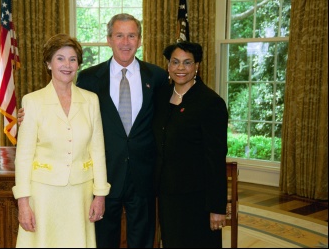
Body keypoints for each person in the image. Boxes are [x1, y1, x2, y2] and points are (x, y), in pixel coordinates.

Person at [18, 13, 168, 247]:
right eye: (119, 35)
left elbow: (164, 122)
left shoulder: (157, 76)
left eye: (131, 36)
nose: (125, 42)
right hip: (103, 179)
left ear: (140, 40)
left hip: (142, 177)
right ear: (109, 39)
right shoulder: (89, 79)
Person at [12, 33, 111, 248]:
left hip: (80, 195)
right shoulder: (32, 102)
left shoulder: (91, 100)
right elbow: (24, 157)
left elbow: (98, 150)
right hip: (43, 196)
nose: (67, 65)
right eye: (60, 58)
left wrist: (100, 194)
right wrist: (23, 203)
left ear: (78, 64)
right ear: (48, 63)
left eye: (72, 59)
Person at [152, 41, 228, 248]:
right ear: (168, 66)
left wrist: (217, 207)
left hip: (198, 199)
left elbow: (215, 158)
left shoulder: (210, 103)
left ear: (197, 66)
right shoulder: (160, 97)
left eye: (187, 63)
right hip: (167, 195)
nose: (180, 68)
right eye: (175, 62)